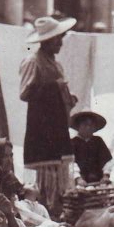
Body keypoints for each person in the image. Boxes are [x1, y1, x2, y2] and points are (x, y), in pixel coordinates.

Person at [19, 16, 78, 216]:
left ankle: (57, 207)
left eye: (61, 38)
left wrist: (66, 97)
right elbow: (25, 93)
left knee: (59, 167)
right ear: (46, 41)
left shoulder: (55, 64)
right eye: (57, 39)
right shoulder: (33, 62)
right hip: (42, 123)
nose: (60, 43)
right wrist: (53, 88)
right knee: (45, 171)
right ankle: (45, 209)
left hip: (57, 122)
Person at [70, 110, 112, 186]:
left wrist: (106, 176)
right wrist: (78, 178)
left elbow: (106, 160)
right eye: (85, 124)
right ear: (78, 126)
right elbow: (71, 163)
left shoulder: (98, 141)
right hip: (79, 182)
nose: (88, 127)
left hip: (98, 181)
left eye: (91, 125)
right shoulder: (73, 143)